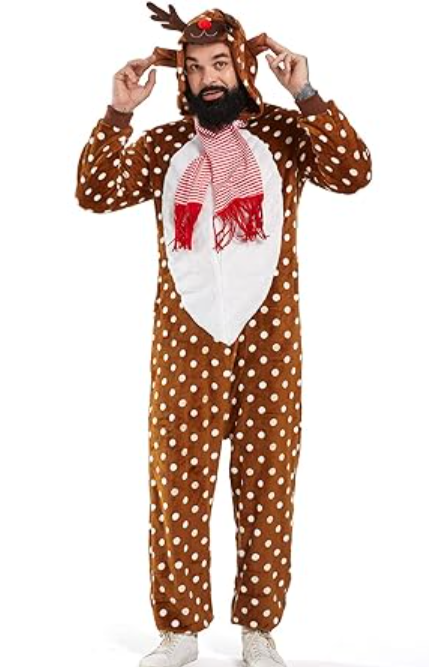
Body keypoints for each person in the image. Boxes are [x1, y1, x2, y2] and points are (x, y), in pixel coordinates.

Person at [75, 4, 372, 667]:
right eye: (194, 69)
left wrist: (305, 91)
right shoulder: (165, 146)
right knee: (176, 485)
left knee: (268, 484)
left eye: (219, 65)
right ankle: (179, 631)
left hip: (270, 344)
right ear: (181, 78)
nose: (208, 80)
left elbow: (352, 171)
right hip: (186, 344)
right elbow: (94, 191)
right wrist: (118, 113)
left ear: (242, 67)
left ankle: (258, 630)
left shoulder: (285, 136)